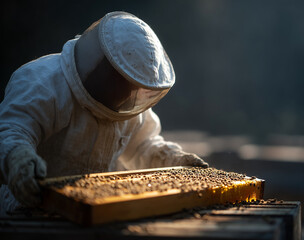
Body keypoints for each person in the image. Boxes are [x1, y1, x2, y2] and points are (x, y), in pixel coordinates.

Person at [0, 11, 208, 214]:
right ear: (101, 65)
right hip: (29, 212)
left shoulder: (130, 105)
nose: (128, 94)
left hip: (98, 212)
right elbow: (11, 131)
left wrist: (173, 159)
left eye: (132, 86)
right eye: (121, 83)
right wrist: (17, 159)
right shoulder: (42, 82)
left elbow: (143, 146)